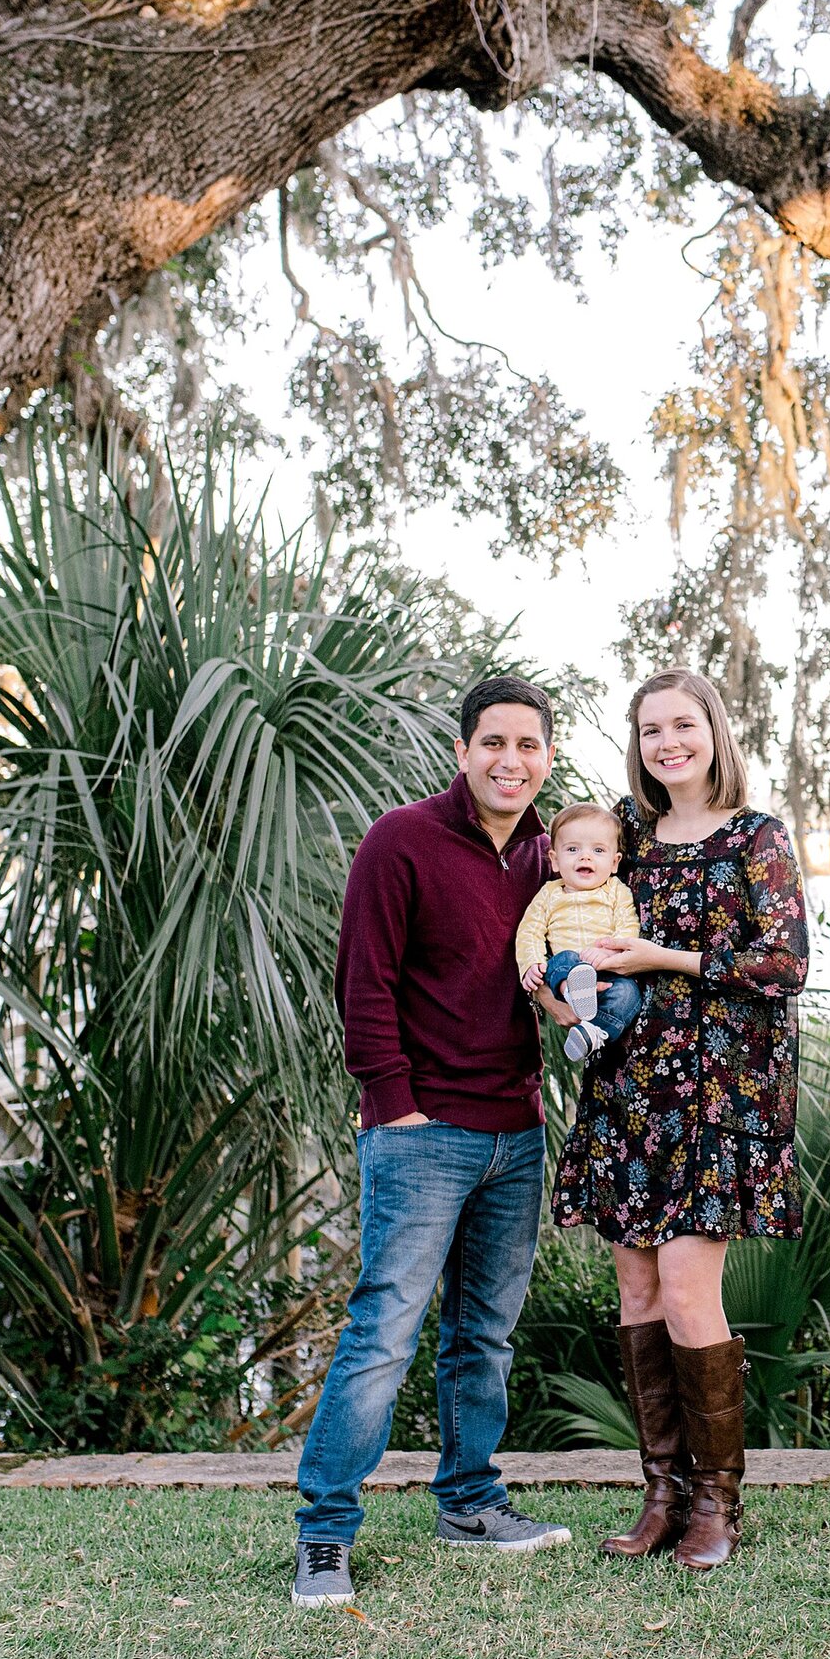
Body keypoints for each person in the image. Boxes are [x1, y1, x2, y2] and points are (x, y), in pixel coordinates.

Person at [292, 676, 574, 1610]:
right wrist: (396, 1103)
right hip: (421, 1134)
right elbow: (362, 982)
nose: (511, 761)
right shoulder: (401, 840)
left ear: (544, 756)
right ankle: (325, 1535)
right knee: (383, 1333)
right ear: (462, 751)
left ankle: (469, 1503)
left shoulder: (548, 860)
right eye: (494, 743)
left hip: (516, 1130)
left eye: (528, 746)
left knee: (483, 1335)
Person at [548, 668, 807, 1572]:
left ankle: (716, 1505)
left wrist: (667, 955)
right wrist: (554, 990)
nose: (668, 744)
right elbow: (560, 923)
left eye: (683, 726)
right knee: (639, 1293)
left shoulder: (756, 837)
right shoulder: (619, 834)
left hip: (719, 1095)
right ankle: (659, 1491)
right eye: (651, 729)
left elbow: (786, 964)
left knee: (693, 1290)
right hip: (628, 1088)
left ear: (714, 731)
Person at [515, 802, 644, 1061]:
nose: (585, 857)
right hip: (565, 967)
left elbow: (627, 926)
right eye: (573, 849)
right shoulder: (549, 894)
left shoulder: (616, 891)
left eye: (598, 850)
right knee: (562, 961)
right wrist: (531, 964)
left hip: (607, 968)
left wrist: (606, 952)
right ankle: (571, 990)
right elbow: (529, 931)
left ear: (614, 861)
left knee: (629, 994)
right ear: (554, 859)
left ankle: (593, 1033)